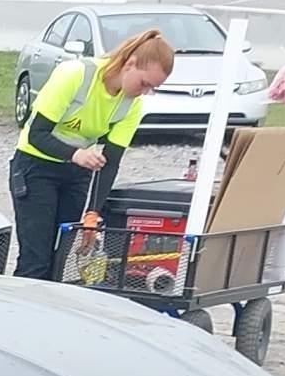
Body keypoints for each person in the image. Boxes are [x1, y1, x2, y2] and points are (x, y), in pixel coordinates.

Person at [10, 27, 175, 280]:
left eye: (152, 88)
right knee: (36, 259)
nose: (144, 92)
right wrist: (75, 154)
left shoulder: (132, 106)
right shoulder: (75, 75)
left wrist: (93, 213)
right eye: (144, 83)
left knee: (61, 260)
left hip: (76, 175)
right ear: (129, 64)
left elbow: (111, 163)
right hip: (35, 167)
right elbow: (37, 134)